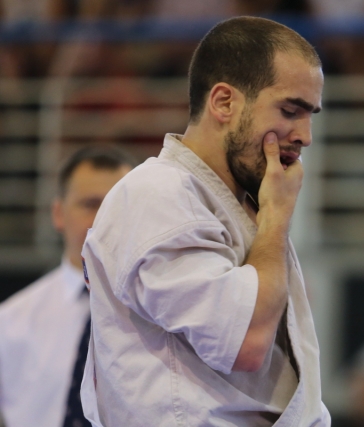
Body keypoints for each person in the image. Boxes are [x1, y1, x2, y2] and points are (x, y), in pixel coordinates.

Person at [79, 16, 329, 426]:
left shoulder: (238, 200)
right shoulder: (158, 194)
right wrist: (277, 218)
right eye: (290, 111)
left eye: (310, 115)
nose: (305, 135)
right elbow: (246, 343)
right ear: (224, 102)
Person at [0, 145, 136, 427]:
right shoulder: (10, 323)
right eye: (91, 204)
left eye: (117, 204)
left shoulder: (165, 314)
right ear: (58, 214)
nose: (104, 218)